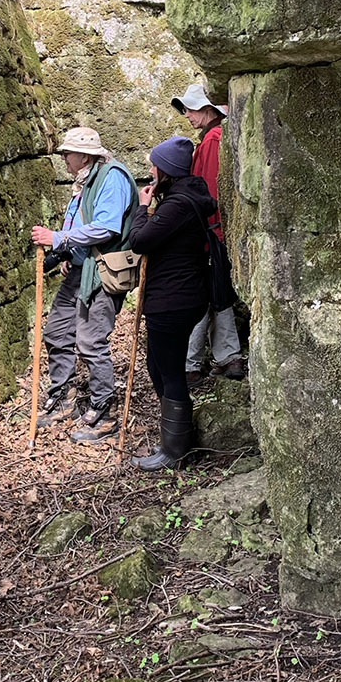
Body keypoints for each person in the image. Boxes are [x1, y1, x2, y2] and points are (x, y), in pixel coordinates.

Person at [31, 127, 138, 443]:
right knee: (57, 332)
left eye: (67, 152)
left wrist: (59, 239)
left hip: (102, 272)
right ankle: (62, 397)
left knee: (91, 341)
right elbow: (79, 220)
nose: (63, 157)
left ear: (85, 155)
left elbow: (105, 227)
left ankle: (103, 409)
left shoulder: (111, 178)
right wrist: (65, 252)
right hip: (80, 267)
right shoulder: (85, 179)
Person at [128, 135, 216, 470]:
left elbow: (141, 241)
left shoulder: (178, 204)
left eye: (155, 165)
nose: (151, 169)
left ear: (166, 170)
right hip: (179, 296)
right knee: (159, 365)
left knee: (169, 370)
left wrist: (141, 208)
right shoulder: (182, 197)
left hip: (173, 299)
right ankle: (174, 436)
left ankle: (175, 451)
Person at [170, 83, 246, 382]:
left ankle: (190, 364)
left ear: (207, 108)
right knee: (217, 291)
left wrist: (203, 228)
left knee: (203, 291)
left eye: (190, 108)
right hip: (213, 229)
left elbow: (211, 191)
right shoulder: (214, 137)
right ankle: (228, 358)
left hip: (211, 230)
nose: (186, 114)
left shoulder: (214, 139)